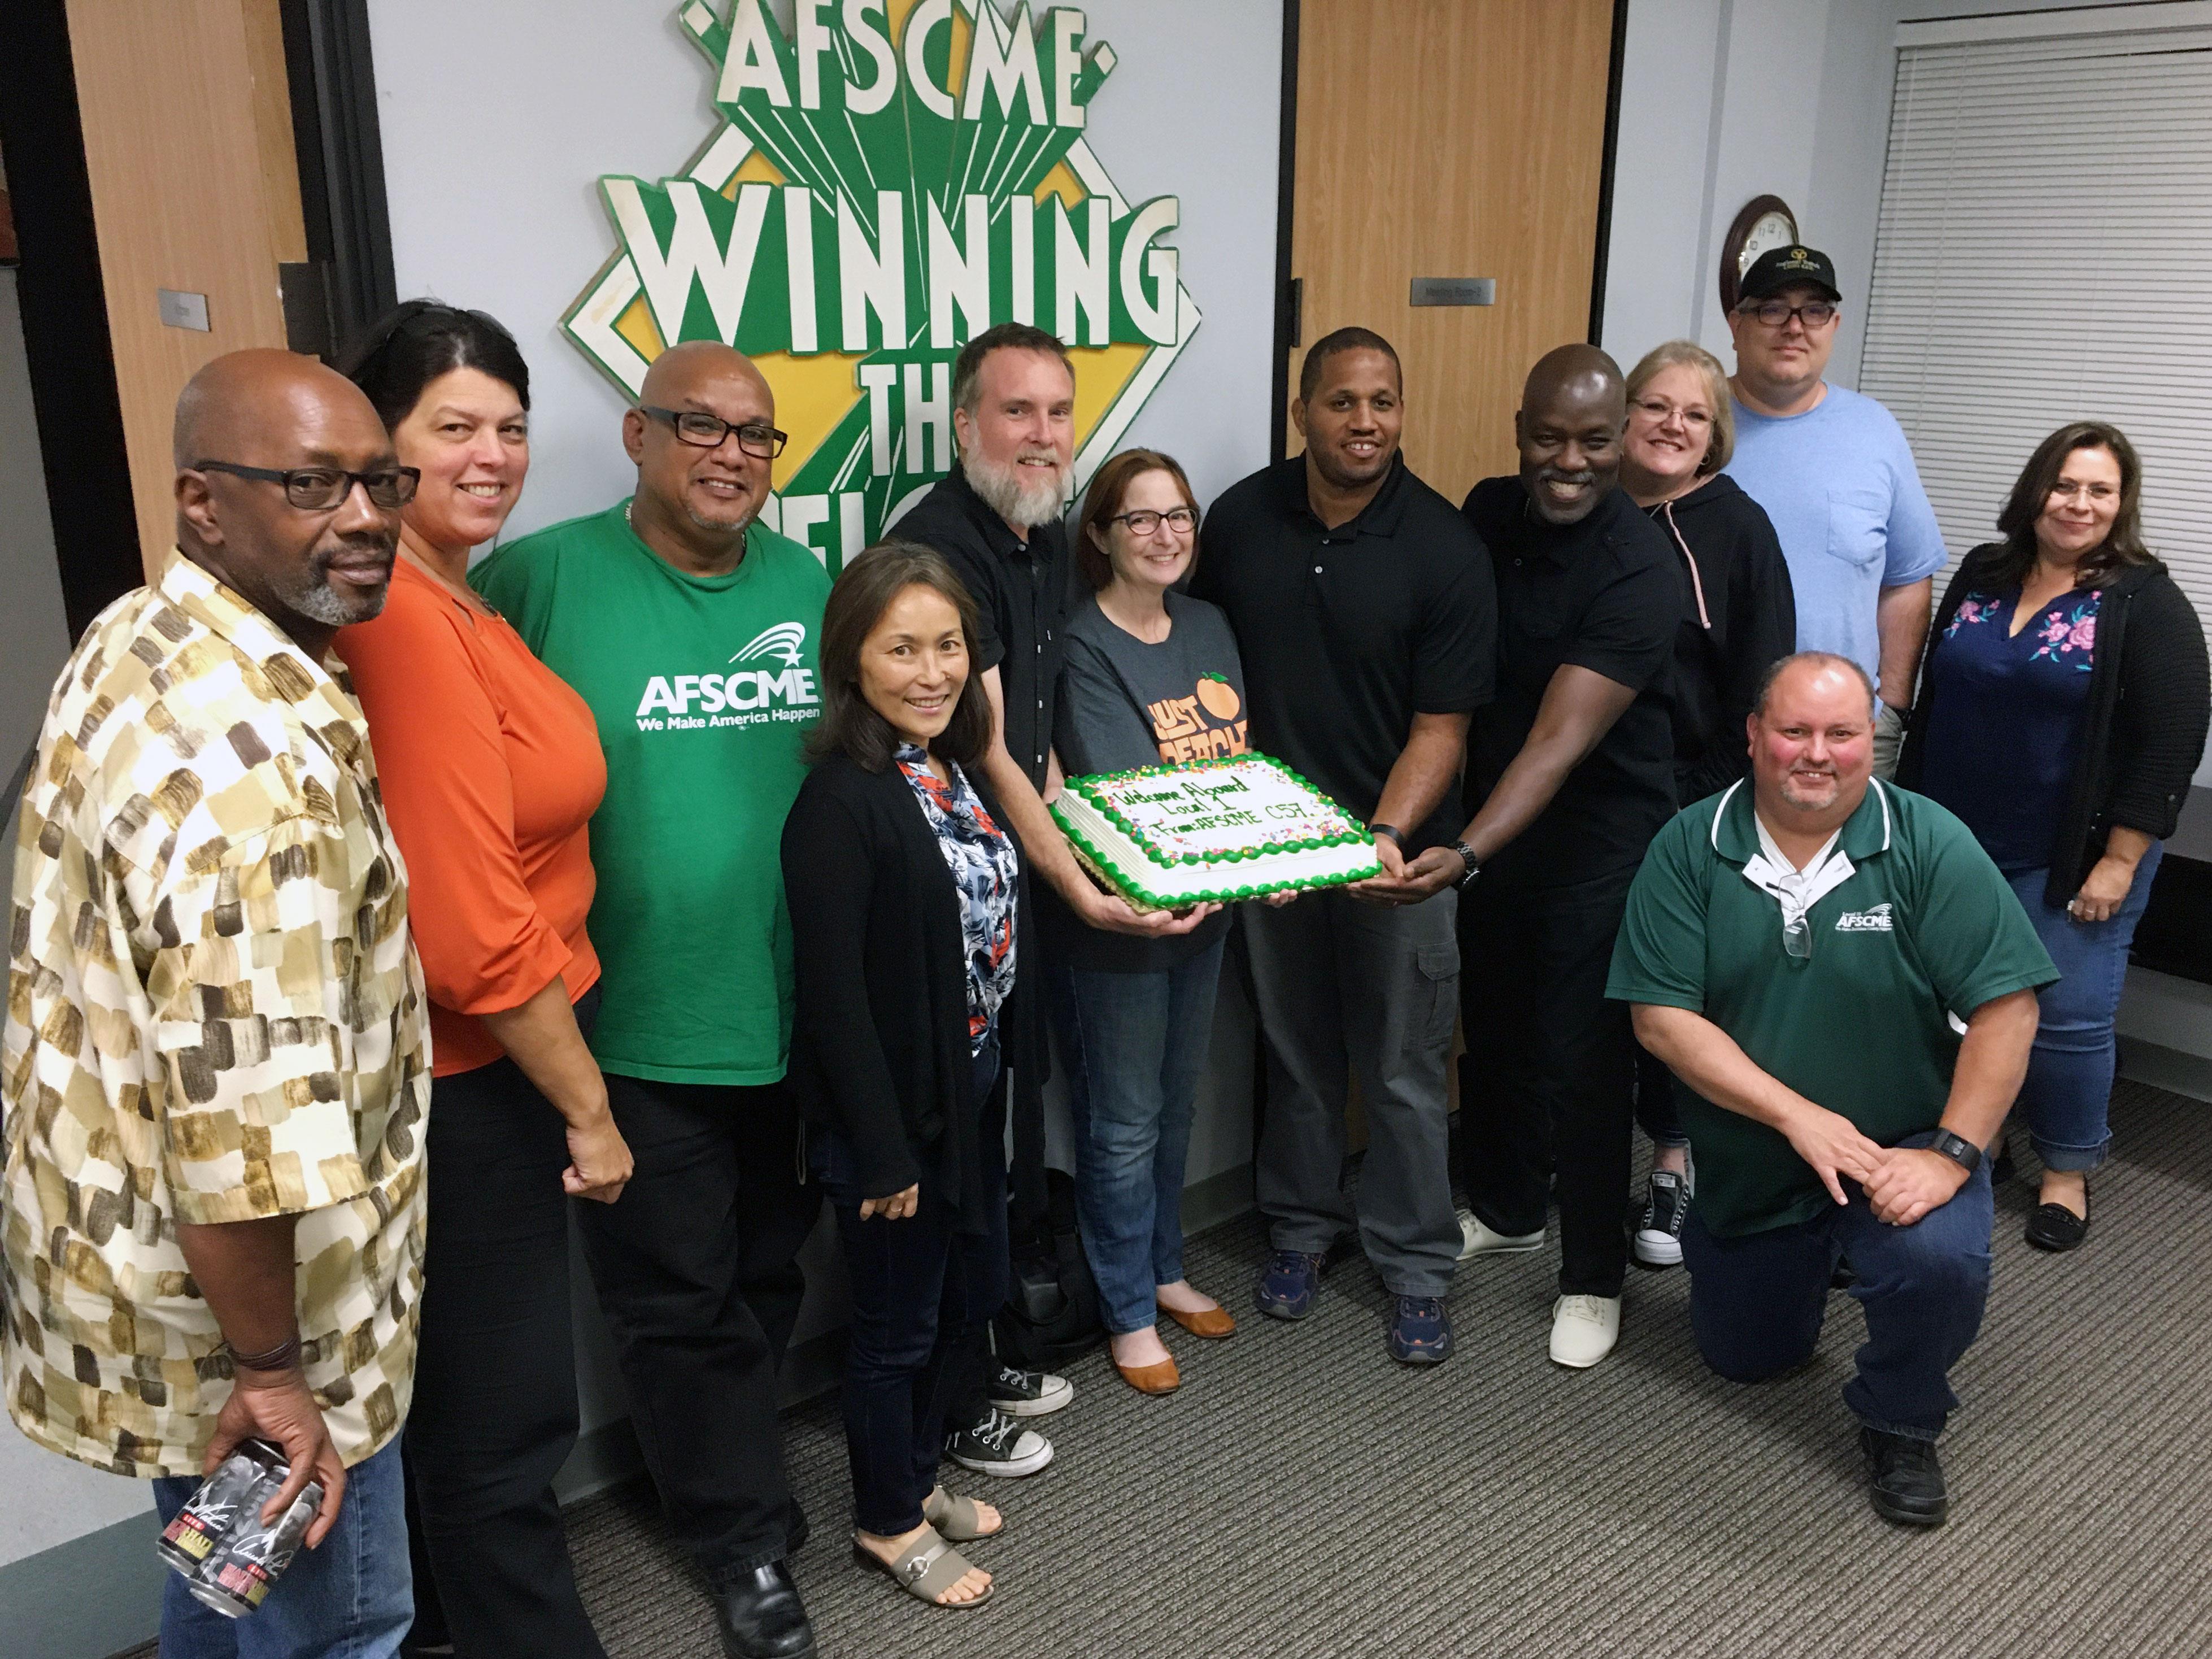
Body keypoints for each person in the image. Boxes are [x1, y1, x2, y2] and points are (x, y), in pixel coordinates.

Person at [3, 350, 428, 1655]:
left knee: (223, 1594)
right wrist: (274, 1373)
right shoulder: (251, 775)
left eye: (379, 480)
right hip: (247, 1317)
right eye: (310, 483)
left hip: (140, 1269)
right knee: (335, 1621)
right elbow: (243, 1132)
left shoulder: (146, 629)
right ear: (204, 502)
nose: (362, 516)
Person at [471, 341, 827, 1659]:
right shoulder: (537, 579)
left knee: (770, 1271)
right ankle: (743, 1544)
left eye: (756, 435)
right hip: (627, 1026)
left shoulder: (806, 582)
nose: (732, 454)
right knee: (677, 1302)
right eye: (701, 426)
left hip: (791, 1014)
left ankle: (731, 1476)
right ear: (637, 435)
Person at [333, 302, 628, 1659]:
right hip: (473, 1076)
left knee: (468, 1412)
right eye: (453, 426)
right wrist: (587, 1106)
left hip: (497, 1063)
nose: (493, 454)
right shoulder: (399, 608)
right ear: (375, 444)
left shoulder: (458, 591)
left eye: (509, 427)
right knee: (502, 1428)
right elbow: (466, 927)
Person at [1611, 652, 2055, 1527]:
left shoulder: (1929, 840)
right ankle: (1814, 1252)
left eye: (1842, 733)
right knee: (1746, 1357)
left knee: (1937, 1261)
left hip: (1903, 1145)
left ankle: (1900, 1416)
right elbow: (1661, 1020)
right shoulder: (1688, 845)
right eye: (1795, 731)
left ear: (1871, 740)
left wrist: (1955, 1157)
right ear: (1754, 736)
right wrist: (1801, 1120)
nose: (1818, 753)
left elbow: (2008, 1008)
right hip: (1755, 1150)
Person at [1192, 327, 1495, 1364]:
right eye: (1341, 402)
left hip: (1395, 863)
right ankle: (1300, 1229)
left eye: (1382, 402)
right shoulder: (1238, 521)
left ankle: (1415, 1265)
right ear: (1302, 413)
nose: (1364, 422)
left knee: (1404, 1068)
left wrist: (1384, 836)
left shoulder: (1445, 547)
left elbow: (1442, 729)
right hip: (1273, 855)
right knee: (1298, 1057)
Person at [889, 324, 1162, 1468]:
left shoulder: (1043, 534)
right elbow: (990, 749)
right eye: (1016, 412)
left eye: (1057, 412)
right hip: (946, 892)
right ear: (965, 426)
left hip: (1014, 885)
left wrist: (1099, 858)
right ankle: (947, 1397)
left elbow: (1041, 751)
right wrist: (1086, 894)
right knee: (955, 1136)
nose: (1043, 435)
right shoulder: (941, 542)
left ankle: (985, 1339)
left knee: (1005, 1122)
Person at [1409, 345, 1678, 1370]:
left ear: (1623, 442)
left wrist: (1465, 847)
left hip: (1600, 841)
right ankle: (1513, 1206)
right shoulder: (1486, 512)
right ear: (1519, 431)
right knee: (1501, 1028)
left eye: (1594, 440)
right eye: (1549, 438)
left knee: (1586, 1057)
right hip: (1496, 830)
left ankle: (1592, 1277)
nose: (1570, 461)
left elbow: (1557, 743)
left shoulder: (1639, 570)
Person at [782, 542, 1040, 1611]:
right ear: (852, 660)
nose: (932, 671)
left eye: (948, 647)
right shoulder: (839, 803)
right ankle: (886, 1523)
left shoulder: (938, 765)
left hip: (959, 1095)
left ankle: (916, 1478)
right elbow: (835, 1002)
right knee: (890, 1332)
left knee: (946, 1307)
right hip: (887, 1128)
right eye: (902, 650)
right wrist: (885, 1150)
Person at [1899, 422, 2209, 1251]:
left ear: (2121, 504)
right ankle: (1984, 1135)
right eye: (2065, 485)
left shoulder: (2144, 600)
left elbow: (2172, 739)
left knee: (2066, 1016)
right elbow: (1936, 699)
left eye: (2099, 490)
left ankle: (2067, 1170)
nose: (2078, 504)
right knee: (1962, 1004)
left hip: (2073, 858)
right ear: (2035, 489)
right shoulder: (1983, 572)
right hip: (1958, 843)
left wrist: (2120, 860)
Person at [1049, 449, 1251, 1395]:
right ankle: (1126, 1305)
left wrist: (1267, 860)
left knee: (1176, 1105)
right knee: (1122, 1121)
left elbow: (1233, 777)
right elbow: (1124, 791)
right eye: (1141, 519)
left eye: (1180, 515)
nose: (1166, 535)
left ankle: (1165, 1268)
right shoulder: (1081, 639)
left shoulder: (1209, 625)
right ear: (1100, 535)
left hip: (1206, 914)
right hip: (1121, 924)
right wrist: (1234, 855)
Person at [1617, 338, 1797, 1269]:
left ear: (1714, 432)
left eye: (1692, 414)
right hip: (1586, 801)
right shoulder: (1588, 510)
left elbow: (1763, 688)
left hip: (1693, 803)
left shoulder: (1739, 528)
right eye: (1654, 406)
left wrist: (1738, 820)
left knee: (1676, 996)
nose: (1671, 426)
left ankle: (1673, 1164)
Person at [1722, 245, 1947, 776]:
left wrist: (1887, 709)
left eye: (1815, 310)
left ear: (1834, 325)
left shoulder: (1875, 432)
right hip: (1708, 730)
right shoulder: (1694, 426)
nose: (1795, 327)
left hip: (1835, 742)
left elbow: (1908, 578)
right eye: (1773, 308)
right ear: (1737, 324)